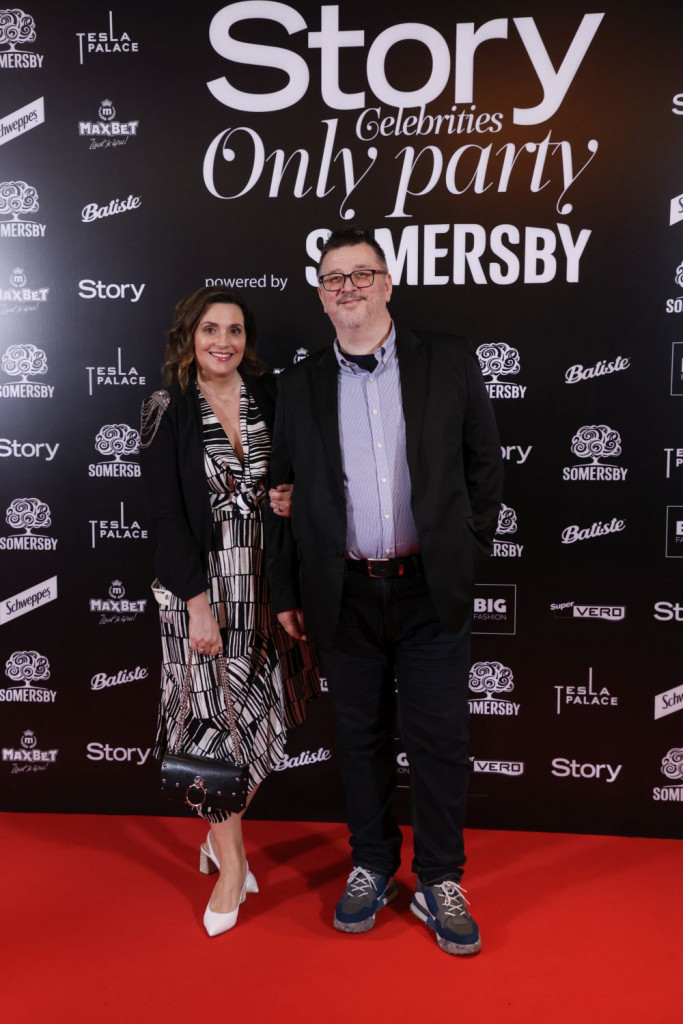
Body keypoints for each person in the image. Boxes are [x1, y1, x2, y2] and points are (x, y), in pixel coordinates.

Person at [266, 228, 503, 956]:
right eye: (334, 278)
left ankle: (439, 877)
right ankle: (371, 863)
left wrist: (466, 550)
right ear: (321, 296)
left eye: (361, 274)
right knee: (359, 740)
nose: (349, 288)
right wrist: (287, 589)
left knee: (439, 739)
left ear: (387, 283)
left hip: (430, 590)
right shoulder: (298, 385)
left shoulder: (449, 360)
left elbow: (485, 465)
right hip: (343, 592)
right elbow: (282, 493)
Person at [140, 286, 318, 937]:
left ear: (248, 339)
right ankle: (232, 864)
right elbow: (165, 516)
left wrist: (292, 497)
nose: (223, 341)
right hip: (201, 588)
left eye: (235, 330)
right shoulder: (165, 407)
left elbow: (300, 474)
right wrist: (198, 606)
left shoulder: (271, 395)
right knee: (211, 729)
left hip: (267, 582)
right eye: (211, 329)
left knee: (262, 721)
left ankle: (217, 839)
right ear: (189, 336)